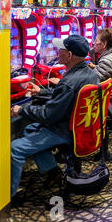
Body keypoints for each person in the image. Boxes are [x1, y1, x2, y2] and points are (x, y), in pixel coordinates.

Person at [10, 35, 100, 199]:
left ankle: (6, 199)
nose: (57, 53)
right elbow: (67, 94)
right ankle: (52, 171)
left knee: (14, 149)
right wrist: (42, 91)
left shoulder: (68, 82)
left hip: (63, 130)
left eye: (61, 50)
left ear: (70, 55)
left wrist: (21, 109)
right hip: (82, 126)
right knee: (30, 129)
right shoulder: (89, 73)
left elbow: (48, 115)